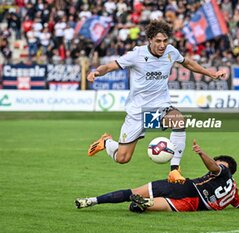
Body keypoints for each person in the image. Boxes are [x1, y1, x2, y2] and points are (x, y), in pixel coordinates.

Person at [86, 20, 226, 184]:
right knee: (122, 158)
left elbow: (187, 62)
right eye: (158, 41)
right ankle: (106, 142)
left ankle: (174, 170)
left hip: (161, 107)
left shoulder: (171, 52)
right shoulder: (136, 55)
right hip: (138, 113)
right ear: (150, 40)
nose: (162, 45)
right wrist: (96, 72)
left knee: (178, 120)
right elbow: (110, 66)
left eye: (165, 41)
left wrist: (210, 74)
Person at [75, 140, 239, 212]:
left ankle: (91, 200)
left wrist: (202, 154)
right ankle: (143, 204)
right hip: (193, 203)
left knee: (132, 193)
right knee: (156, 206)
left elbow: (214, 167)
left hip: (187, 187)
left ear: (226, 167)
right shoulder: (234, 189)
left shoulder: (222, 170)